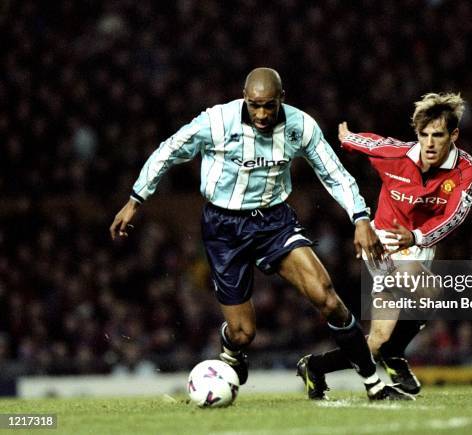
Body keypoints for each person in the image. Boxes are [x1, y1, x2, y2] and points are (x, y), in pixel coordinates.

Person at [110, 67, 412, 400]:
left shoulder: (300, 126)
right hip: (223, 229)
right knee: (243, 333)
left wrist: (360, 217)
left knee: (327, 296)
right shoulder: (215, 122)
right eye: (255, 105)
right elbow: (168, 150)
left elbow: (333, 173)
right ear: (244, 97)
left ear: (282, 99)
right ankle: (232, 350)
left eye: (269, 105)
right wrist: (136, 199)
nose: (262, 113)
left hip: (273, 222)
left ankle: (374, 384)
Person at [297, 92, 472, 399]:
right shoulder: (396, 155)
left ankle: (315, 366)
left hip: (420, 243)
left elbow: (455, 216)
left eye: (438, 135)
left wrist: (419, 238)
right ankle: (395, 355)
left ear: (454, 135)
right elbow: (369, 143)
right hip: (384, 243)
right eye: (424, 135)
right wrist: (346, 137)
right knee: (429, 287)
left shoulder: (467, 170)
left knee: (377, 341)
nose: (430, 143)